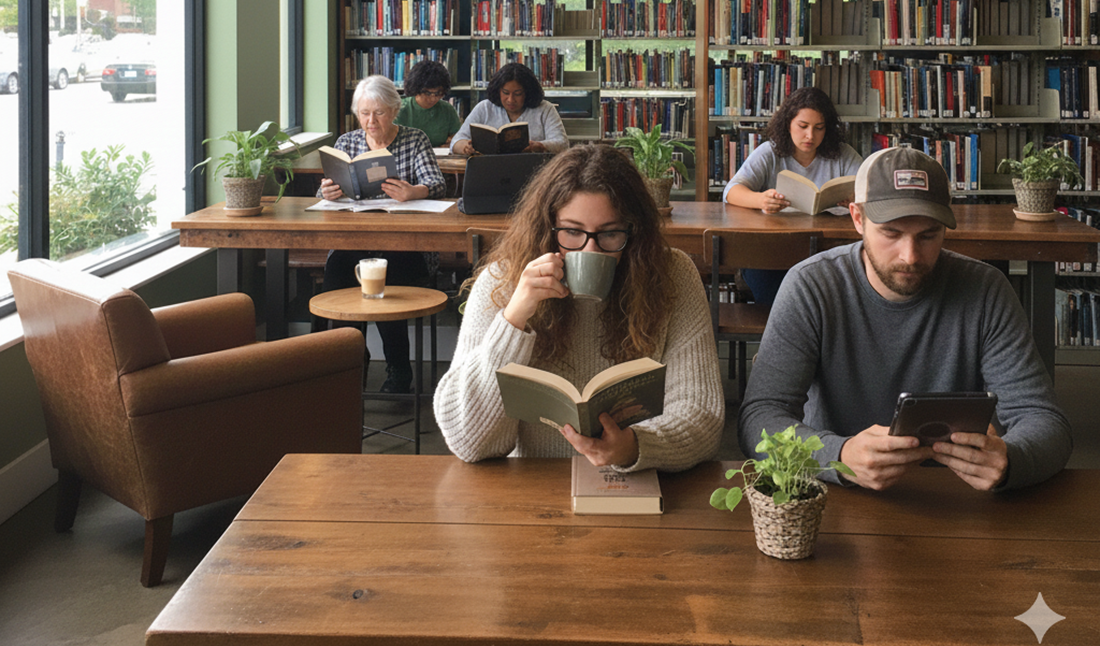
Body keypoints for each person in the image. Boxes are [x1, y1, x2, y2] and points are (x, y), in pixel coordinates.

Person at [739, 145, 1073, 494]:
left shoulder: (986, 291)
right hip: (833, 496)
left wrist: (1011, 460)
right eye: (891, 234)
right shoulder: (812, 286)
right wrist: (837, 454)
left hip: (955, 497)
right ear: (857, 219)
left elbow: (1044, 420)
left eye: (928, 235)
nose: (910, 256)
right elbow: (761, 415)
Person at [434, 143, 725, 473]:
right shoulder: (502, 282)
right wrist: (514, 319)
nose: (591, 250)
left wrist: (635, 446)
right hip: (530, 486)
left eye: (610, 233)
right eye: (572, 232)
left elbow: (702, 413)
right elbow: (469, 441)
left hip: (639, 482)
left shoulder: (672, 275)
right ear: (547, 227)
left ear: (635, 230)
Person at [318, 74, 445, 393]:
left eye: (379, 113)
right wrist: (328, 191)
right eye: (363, 113)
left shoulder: (415, 139)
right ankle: (349, 364)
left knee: (392, 283)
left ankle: (399, 368)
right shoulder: (347, 143)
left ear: (394, 110)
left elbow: (438, 183)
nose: (370, 121)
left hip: (405, 243)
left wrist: (414, 191)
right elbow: (329, 186)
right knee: (337, 276)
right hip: (353, 241)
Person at [722, 86, 862, 306]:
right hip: (772, 252)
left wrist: (857, 198)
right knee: (784, 301)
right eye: (803, 126)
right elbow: (731, 191)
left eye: (819, 128)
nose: (810, 136)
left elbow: (871, 189)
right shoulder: (770, 152)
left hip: (827, 253)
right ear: (788, 124)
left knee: (837, 293)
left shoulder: (842, 154)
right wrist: (761, 200)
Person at [450, 61, 568, 155]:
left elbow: (562, 144)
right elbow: (456, 141)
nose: (510, 99)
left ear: (528, 92)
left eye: (517, 94)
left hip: (534, 171)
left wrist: (540, 146)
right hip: (489, 169)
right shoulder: (484, 108)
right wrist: (465, 147)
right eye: (505, 93)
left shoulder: (545, 109)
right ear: (498, 90)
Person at [395, 57, 461, 146]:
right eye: (427, 93)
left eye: (438, 93)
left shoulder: (447, 110)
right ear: (415, 89)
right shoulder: (399, 110)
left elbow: (457, 138)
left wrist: (453, 144)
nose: (433, 98)